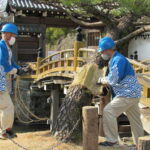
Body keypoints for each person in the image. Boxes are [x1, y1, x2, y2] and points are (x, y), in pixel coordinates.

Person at [97, 37, 144, 146]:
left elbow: (113, 79)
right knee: (135, 120)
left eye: (102, 51)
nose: (102, 53)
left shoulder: (118, 60)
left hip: (126, 94)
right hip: (133, 94)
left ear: (108, 49)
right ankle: (141, 145)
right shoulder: (116, 59)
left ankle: (112, 140)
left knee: (108, 111)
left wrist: (100, 80)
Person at [0, 23, 26, 139]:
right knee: (8, 106)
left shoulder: (6, 47)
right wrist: (16, 71)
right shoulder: (1, 46)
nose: (14, 38)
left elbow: (12, 63)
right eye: (13, 36)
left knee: (3, 106)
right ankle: (5, 132)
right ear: (7, 34)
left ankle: (4, 130)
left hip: (3, 79)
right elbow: (3, 64)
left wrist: (21, 69)